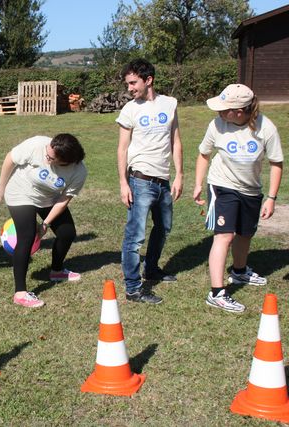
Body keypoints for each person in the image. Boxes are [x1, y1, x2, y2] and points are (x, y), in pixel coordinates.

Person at [193, 84, 283, 313]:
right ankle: (217, 293)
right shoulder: (217, 125)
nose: (220, 113)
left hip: (251, 190)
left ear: (241, 110)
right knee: (224, 235)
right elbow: (204, 154)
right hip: (222, 185)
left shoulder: (266, 128)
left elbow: (276, 163)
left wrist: (271, 197)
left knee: (245, 233)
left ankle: (239, 271)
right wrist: (197, 184)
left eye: (225, 109)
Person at [0, 134, 87, 308]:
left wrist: (45, 224)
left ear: (64, 161)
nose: (45, 157)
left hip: (49, 198)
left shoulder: (78, 172)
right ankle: (20, 293)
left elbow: (64, 199)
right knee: (27, 237)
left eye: (50, 158)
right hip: (20, 193)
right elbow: (10, 158)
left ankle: (57, 271)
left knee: (67, 233)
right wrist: (1, 185)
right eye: (47, 152)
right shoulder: (37, 144)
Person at [117, 59, 183, 305]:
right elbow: (122, 149)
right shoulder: (130, 110)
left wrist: (179, 175)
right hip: (140, 180)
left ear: (149, 80)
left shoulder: (170, 104)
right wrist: (124, 183)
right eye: (128, 84)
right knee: (135, 236)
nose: (130, 88)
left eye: (134, 82)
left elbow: (175, 141)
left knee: (163, 228)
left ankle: (152, 269)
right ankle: (133, 288)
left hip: (164, 180)